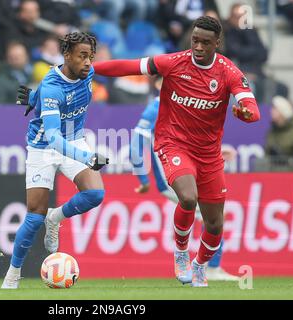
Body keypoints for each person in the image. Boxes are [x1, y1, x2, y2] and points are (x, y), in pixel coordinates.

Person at [93, 16, 260, 287]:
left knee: (215, 225)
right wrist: (91, 69)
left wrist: (244, 112)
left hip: (209, 154)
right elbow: (128, 67)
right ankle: (181, 252)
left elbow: (251, 108)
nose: (199, 47)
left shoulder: (228, 71)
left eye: (206, 42)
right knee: (187, 197)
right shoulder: (172, 62)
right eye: (195, 40)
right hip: (174, 144)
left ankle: (200, 265)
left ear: (217, 43)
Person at [1, 32, 109, 289]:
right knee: (34, 216)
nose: (87, 62)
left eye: (90, 57)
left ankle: (56, 217)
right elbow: (52, 137)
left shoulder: (87, 73)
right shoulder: (52, 86)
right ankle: (13, 275)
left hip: (75, 139)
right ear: (67, 55)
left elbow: (111, 68)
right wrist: (87, 156)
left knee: (95, 194)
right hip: (44, 147)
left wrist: (33, 98)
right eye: (82, 56)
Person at [130, 76, 239, 281]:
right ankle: (210, 267)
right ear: (158, 84)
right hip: (171, 176)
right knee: (210, 212)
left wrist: (219, 150)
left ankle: (208, 265)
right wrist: (143, 180)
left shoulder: (181, 105)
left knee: (211, 212)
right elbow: (136, 144)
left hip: (186, 170)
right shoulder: (157, 106)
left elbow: (189, 142)